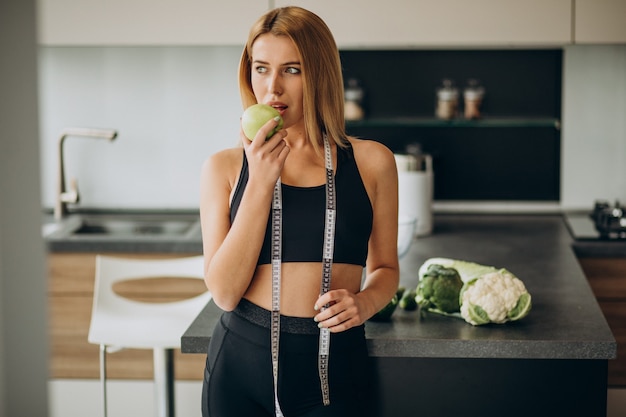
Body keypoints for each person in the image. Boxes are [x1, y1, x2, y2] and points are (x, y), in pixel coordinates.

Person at [199, 6, 399, 417]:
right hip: (240, 363)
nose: (272, 88)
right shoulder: (224, 168)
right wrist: (259, 181)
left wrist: (365, 303)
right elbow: (223, 292)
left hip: (335, 364)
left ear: (320, 74)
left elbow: (386, 270)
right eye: (261, 68)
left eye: (292, 70)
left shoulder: (372, 162)